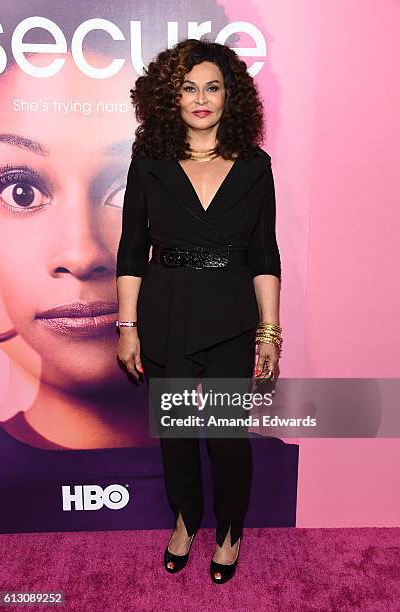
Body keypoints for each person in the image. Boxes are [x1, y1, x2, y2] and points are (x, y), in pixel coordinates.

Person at [116, 38, 282, 584]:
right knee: (179, 438)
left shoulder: (256, 167)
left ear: (230, 96)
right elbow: (131, 249)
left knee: (229, 439)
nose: (202, 98)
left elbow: (263, 252)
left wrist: (269, 332)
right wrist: (127, 325)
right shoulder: (150, 163)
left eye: (213, 87)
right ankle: (186, 522)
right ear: (172, 98)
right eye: (189, 88)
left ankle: (231, 532)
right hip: (167, 312)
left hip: (233, 316)